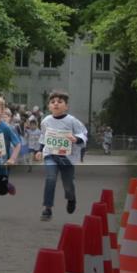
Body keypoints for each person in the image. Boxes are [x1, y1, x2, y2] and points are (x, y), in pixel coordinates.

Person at [36, 90, 88, 222]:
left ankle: (71, 198)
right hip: (50, 154)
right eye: (52, 102)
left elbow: (83, 133)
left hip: (67, 157)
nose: (56, 104)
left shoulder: (72, 121)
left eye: (60, 102)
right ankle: (47, 208)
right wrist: (40, 150)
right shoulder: (46, 121)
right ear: (49, 106)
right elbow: (43, 136)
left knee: (68, 183)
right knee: (51, 178)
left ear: (66, 106)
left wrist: (76, 138)